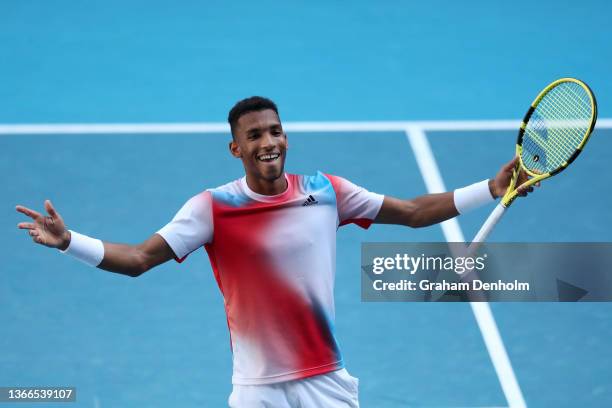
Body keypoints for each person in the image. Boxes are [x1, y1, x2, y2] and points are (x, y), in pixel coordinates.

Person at [16, 96, 532, 407]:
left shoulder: (328, 191)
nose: (270, 142)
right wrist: (70, 243)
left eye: (276, 130)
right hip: (258, 388)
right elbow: (137, 260)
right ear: (236, 148)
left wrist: (490, 185)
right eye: (255, 135)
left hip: (326, 380)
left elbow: (415, 211)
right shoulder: (211, 208)